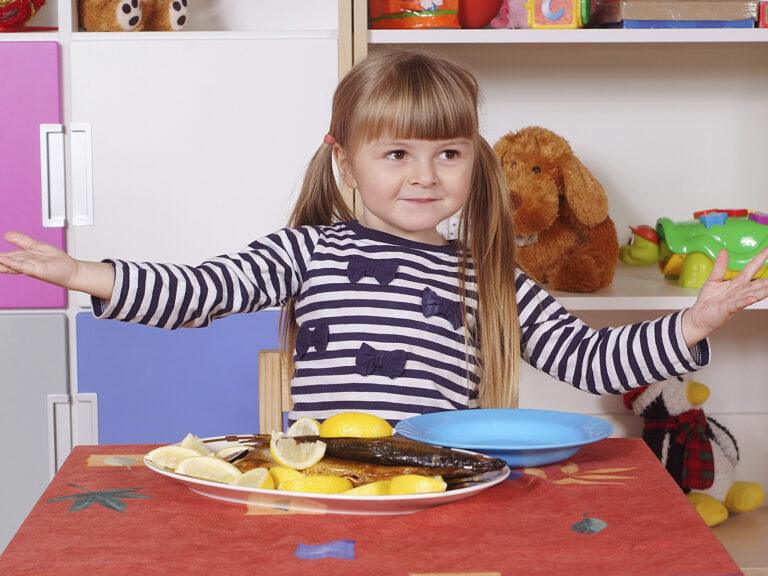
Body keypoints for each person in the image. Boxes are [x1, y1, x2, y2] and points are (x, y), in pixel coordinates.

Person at [2, 49, 767, 426]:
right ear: (346, 160)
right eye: (397, 153)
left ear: (475, 160)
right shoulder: (307, 251)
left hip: (448, 487)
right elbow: (200, 290)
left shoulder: (489, 277)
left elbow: (591, 361)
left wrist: (692, 324)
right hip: (324, 489)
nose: (425, 176)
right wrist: (85, 273)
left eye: (448, 153)